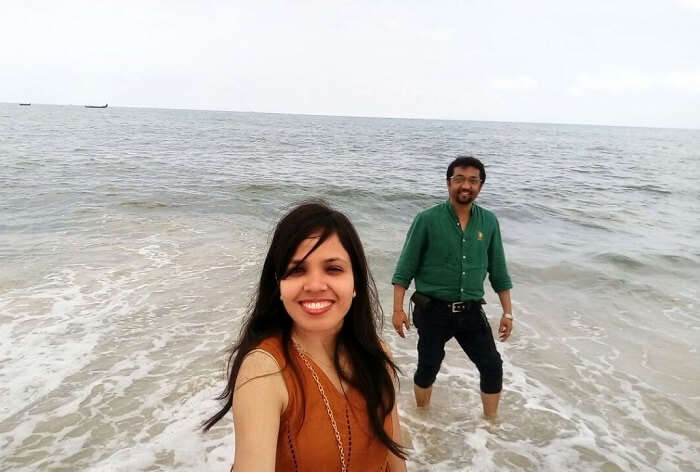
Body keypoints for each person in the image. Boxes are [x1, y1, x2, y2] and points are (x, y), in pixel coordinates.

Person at [204, 201, 407, 472]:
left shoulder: (376, 354)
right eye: (297, 270)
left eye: (333, 269)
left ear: (355, 281)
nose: (314, 285)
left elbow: (395, 461)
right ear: (279, 285)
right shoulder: (264, 371)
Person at [391, 156, 513, 419]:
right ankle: (423, 418)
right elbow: (405, 267)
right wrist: (397, 309)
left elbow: (499, 271)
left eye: (473, 180)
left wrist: (508, 312)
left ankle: (490, 426)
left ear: (481, 186)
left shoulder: (489, 222)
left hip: (470, 311)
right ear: (448, 183)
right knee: (428, 367)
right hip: (433, 310)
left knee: (492, 366)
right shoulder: (427, 219)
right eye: (459, 179)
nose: (465, 185)